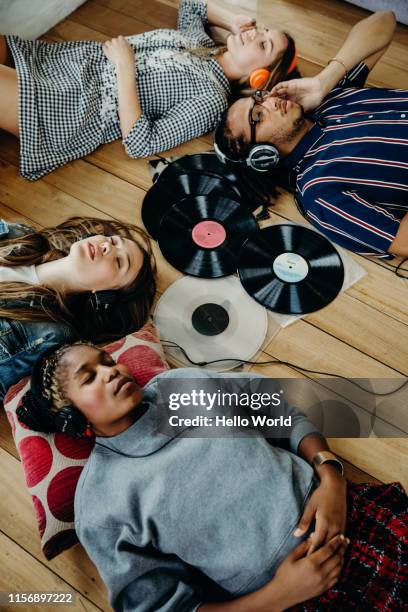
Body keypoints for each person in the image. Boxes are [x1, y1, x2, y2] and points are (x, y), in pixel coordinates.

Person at [18, 342, 408, 611]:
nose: (112, 370)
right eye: (90, 377)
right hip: (301, 599)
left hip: (354, 515)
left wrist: (331, 474)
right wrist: (280, 595)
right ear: (72, 419)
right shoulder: (103, 505)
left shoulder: (180, 387)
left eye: (107, 360)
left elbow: (278, 410)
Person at [0, 0, 299, 181]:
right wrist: (231, 20)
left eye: (263, 44)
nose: (254, 35)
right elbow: (191, 6)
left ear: (259, 78)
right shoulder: (202, 45)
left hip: (69, 106)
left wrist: (125, 67)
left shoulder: (210, 101)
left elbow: (139, 143)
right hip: (58, 63)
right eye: (261, 30)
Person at [214, 11, 408, 258]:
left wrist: (324, 81)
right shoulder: (318, 193)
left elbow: (384, 20)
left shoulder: (321, 97)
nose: (270, 102)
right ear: (262, 156)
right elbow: (402, 242)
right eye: (258, 117)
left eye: (259, 98)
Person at [0, 216, 155, 401]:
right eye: (113, 241)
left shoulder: (52, 334)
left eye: (119, 262)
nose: (107, 247)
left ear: (106, 295)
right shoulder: (20, 234)